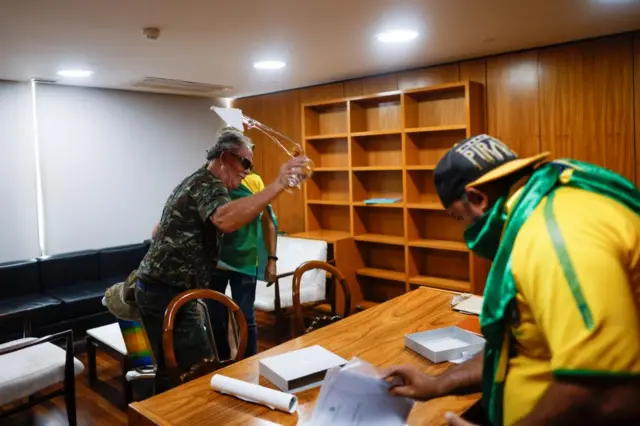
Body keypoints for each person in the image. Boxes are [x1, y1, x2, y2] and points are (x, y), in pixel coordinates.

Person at [383, 134, 640, 426]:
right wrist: (437, 384)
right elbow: (514, 346)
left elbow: (606, 393)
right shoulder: (538, 211)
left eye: (458, 218)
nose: (465, 229)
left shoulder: (553, 234)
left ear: (477, 199)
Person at [134, 127, 308, 393]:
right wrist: (279, 184)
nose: (248, 171)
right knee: (194, 369)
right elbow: (225, 220)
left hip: (164, 290)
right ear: (225, 157)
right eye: (245, 162)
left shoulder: (196, 181)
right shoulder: (209, 184)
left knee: (176, 371)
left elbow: (158, 231)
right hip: (165, 293)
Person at [210, 169, 278, 358]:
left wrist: (271, 260)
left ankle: (249, 362)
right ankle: (223, 361)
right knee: (215, 316)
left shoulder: (254, 182)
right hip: (215, 262)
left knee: (246, 318)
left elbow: (268, 222)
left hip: (246, 260)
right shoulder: (211, 183)